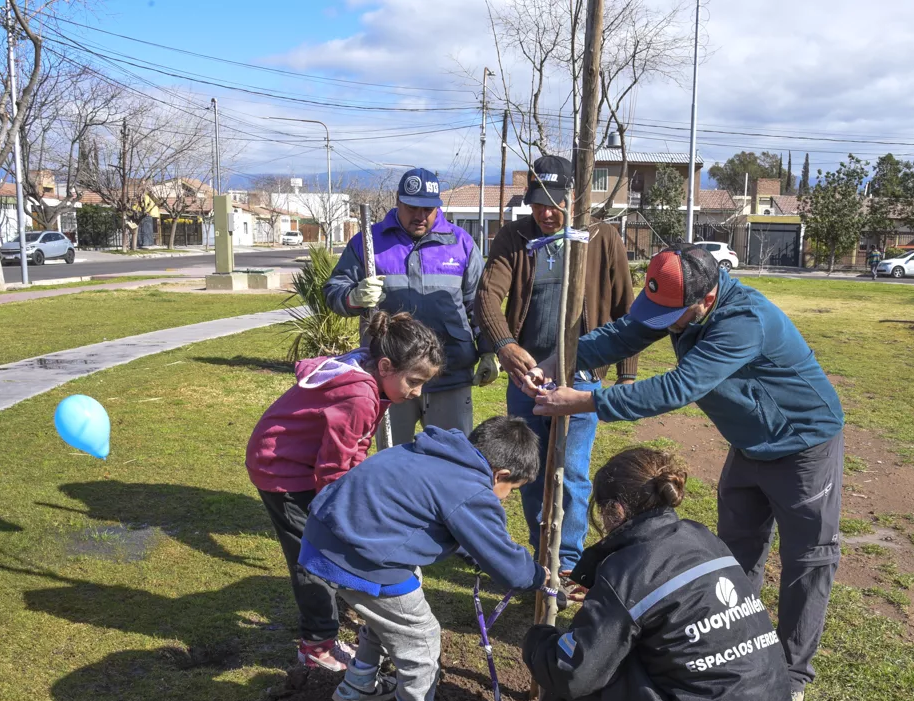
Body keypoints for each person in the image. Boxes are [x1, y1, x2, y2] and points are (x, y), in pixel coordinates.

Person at [524, 243, 845, 701]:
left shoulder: (744, 321)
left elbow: (678, 387)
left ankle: (791, 678)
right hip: (749, 444)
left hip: (803, 445)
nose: (661, 324)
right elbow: (626, 333)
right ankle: (731, 645)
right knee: (734, 554)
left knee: (807, 564)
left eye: (670, 316)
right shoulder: (679, 307)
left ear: (706, 298)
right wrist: (558, 361)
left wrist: (587, 400)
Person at [522, 447, 796, 701]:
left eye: (601, 511)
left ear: (615, 511)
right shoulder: (701, 537)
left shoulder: (629, 571)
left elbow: (575, 670)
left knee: (595, 662)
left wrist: (539, 642)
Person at [297, 417, 546, 701]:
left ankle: (359, 682)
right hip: (360, 559)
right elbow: (511, 569)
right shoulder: (471, 489)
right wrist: (538, 576)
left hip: (328, 539)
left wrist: (474, 554)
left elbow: (436, 519)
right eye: (512, 490)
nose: (506, 499)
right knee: (422, 640)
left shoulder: (432, 453)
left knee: (389, 614)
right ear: (500, 475)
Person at [246, 312, 444, 672]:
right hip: (282, 468)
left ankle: (331, 615)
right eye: (414, 381)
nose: (417, 393)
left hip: (295, 459)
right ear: (385, 365)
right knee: (314, 555)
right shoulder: (359, 396)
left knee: (328, 544)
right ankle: (316, 645)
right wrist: (348, 516)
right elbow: (333, 472)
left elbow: (348, 450)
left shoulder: (366, 371)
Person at [474, 155, 637, 592]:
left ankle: (567, 563)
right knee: (529, 470)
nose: (547, 213)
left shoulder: (601, 236)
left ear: (575, 197)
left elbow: (624, 303)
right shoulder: (515, 236)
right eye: (538, 203)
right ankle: (540, 554)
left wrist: (626, 372)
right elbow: (489, 295)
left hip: (581, 375)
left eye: (557, 202)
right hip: (529, 378)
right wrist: (506, 346)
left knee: (573, 472)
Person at [324, 167, 483, 446]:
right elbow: (332, 290)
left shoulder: (461, 243)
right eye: (412, 207)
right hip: (390, 376)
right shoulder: (368, 243)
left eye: (428, 208)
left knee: (450, 460)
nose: (420, 215)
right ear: (397, 201)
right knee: (392, 459)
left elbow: (478, 305)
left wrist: (490, 350)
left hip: (451, 373)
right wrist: (353, 298)